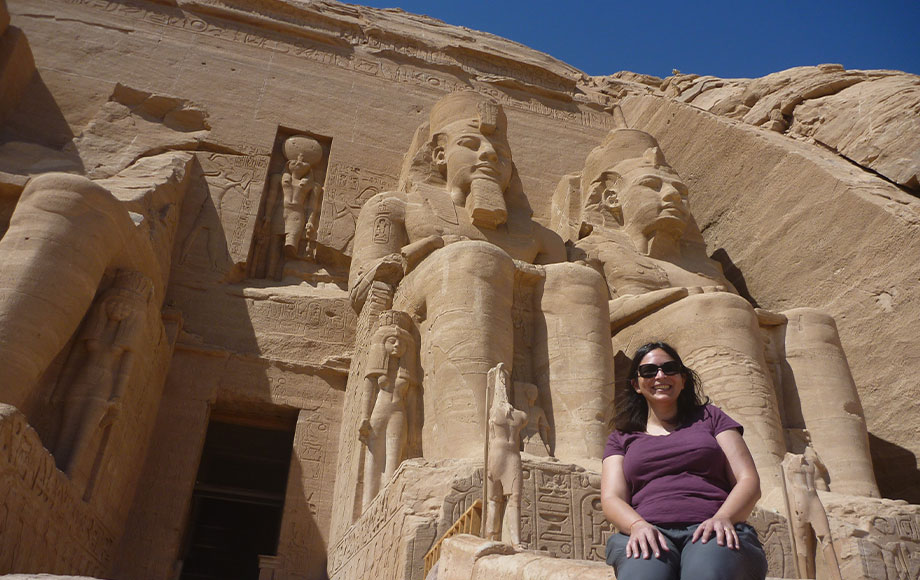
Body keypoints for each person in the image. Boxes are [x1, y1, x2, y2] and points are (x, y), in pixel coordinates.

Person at [601, 341, 768, 580]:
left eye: (669, 368)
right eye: (649, 371)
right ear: (636, 385)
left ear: (683, 379)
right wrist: (637, 525)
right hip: (649, 531)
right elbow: (611, 497)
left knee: (706, 572)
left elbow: (748, 479)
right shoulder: (621, 437)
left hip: (711, 526)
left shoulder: (711, 417)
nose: (660, 375)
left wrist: (723, 517)